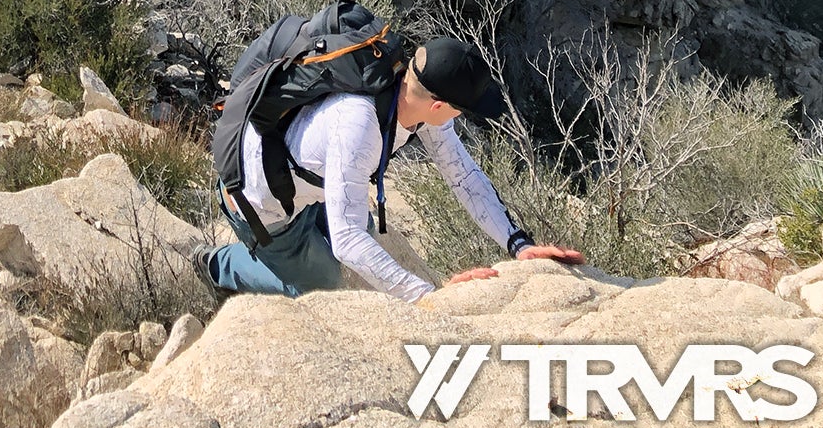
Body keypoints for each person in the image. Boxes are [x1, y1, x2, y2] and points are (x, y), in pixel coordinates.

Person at [205, 36, 584, 300]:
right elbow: (348, 240)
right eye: (460, 109)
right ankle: (216, 264)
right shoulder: (358, 124)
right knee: (322, 285)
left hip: (312, 180)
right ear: (438, 106)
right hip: (260, 198)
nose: (459, 118)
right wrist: (428, 298)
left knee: (362, 239)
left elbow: (463, 175)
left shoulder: (414, 100)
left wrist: (519, 244)